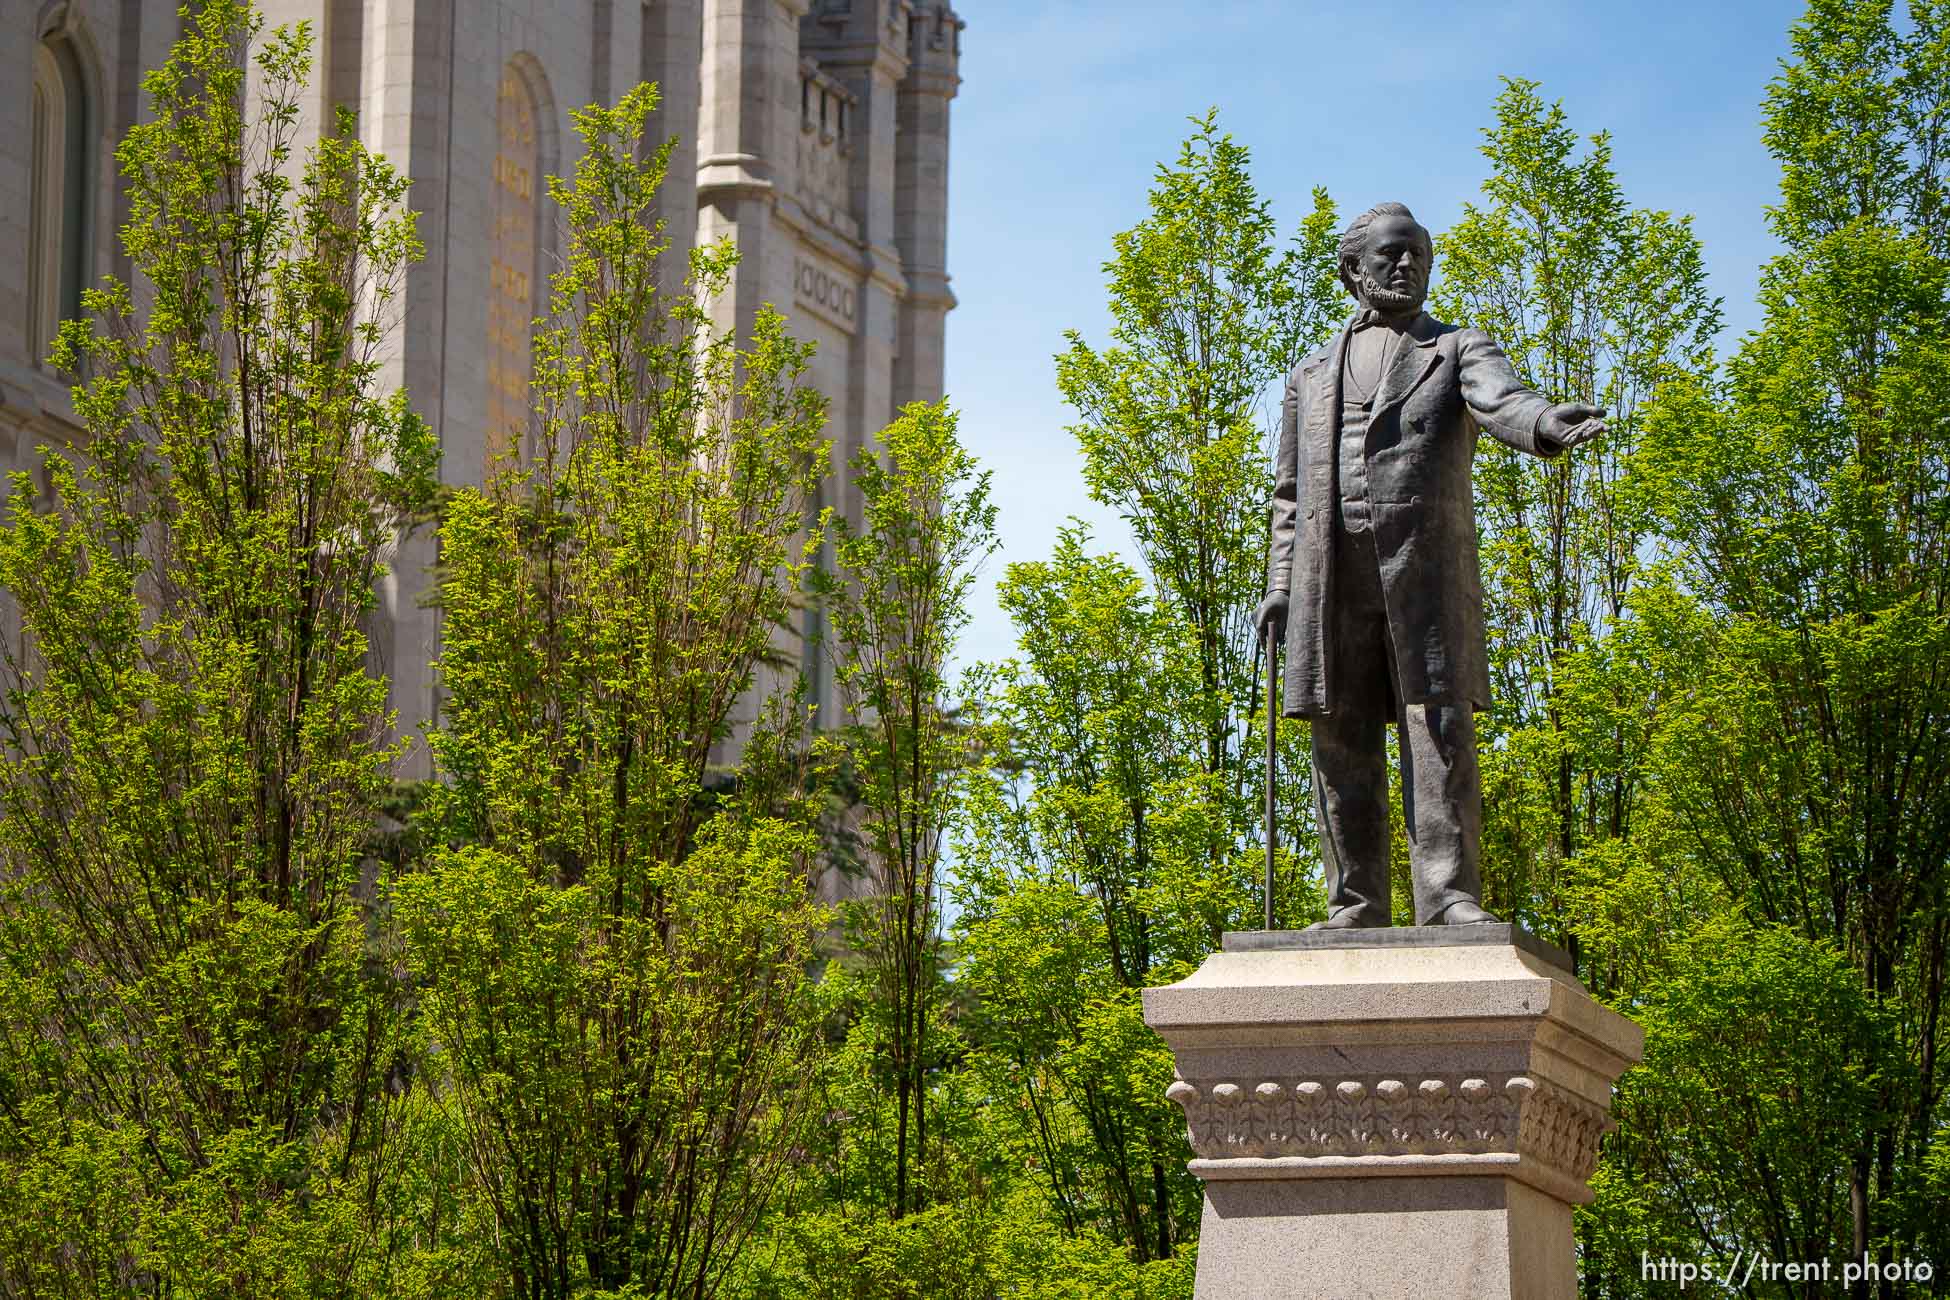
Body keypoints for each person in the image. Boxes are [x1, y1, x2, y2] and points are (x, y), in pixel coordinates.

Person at [1255, 202, 1605, 928]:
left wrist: (1541, 424)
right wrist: (1281, 586)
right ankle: (1354, 902)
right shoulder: (1311, 376)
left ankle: (1447, 899)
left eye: (1418, 253)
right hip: (1330, 580)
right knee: (1339, 738)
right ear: (1352, 269)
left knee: (1437, 730)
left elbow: (1500, 401)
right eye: (1391, 253)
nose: (1408, 264)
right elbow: (1289, 495)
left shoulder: (1456, 348)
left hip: (1423, 573)